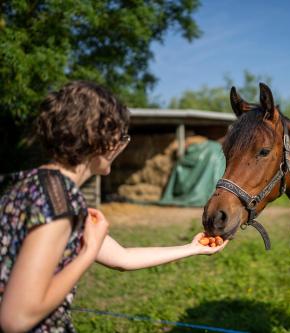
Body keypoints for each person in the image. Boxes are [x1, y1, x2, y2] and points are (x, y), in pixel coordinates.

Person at [0, 81, 227, 333]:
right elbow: (16, 319)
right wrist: (89, 252)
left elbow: (123, 258)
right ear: (101, 140)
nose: (122, 145)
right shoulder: (59, 201)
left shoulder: (27, 184)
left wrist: (192, 248)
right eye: (122, 137)